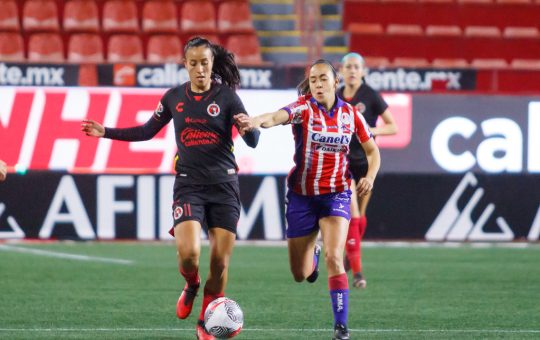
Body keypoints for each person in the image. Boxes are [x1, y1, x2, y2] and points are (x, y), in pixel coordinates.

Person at [81, 37, 260, 340]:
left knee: (220, 261)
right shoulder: (174, 97)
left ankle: (206, 322)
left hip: (225, 186)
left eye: (205, 62)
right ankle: (191, 283)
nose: (200, 69)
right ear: (185, 65)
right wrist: (105, 132)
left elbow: (253, 141)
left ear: (212, 63)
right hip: (189, 184)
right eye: (194, 63)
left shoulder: (228, 98)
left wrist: (249, 129)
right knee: (189, 253)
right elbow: (146, 131)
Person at [235, 59, 381, 340]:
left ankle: (341, 327)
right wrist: (254, 121)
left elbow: (373, 152)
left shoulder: (351, 115)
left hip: (336, 195)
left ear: (335, 82)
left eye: (323, 79)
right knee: (300, 274)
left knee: (334, 258)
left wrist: (370, 177)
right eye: (313, 80)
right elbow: (276, 117)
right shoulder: (304, 108)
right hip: (302, 197)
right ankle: (311, 254)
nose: (317, 84)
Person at [337, 53, 398, 289]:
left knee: (360, 216)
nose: (352, 71)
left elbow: (393, 126)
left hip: (366, 164)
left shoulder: (370, 95)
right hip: (344, 164)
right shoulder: (337, 95)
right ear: (341, 71)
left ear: (363, 71)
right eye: (348, 67)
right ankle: (357, 272)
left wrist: (369, 130)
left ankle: (350, 258)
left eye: (356, 67)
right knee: (353, 215)